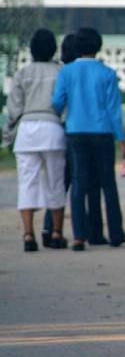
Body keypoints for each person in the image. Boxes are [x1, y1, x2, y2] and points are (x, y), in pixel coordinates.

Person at [52, 27, 125, 251]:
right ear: (98, 47)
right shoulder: (107, 73)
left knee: (79, 183)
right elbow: (114, 110)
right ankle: (115, 233)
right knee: (108, 183)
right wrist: (122, 140)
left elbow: (57, 101)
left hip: (76, 132)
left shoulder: (66, 72)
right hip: (103, 132)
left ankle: (79, 236)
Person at [2, 29, 68, 251]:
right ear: (53, 49)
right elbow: (65, 104)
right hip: (53, 129)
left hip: (27, 132)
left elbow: (13, 109)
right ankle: (57, 233)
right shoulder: (60, 71)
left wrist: (8, 132)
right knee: (56, 182)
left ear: (31, 49)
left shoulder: (23, 74)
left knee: (27, 183)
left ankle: (28, 235)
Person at [41, 34, 105, 247]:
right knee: (83, 183)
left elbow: (56, 103)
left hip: (62, 129)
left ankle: (48, 228)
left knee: (63, 182)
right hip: (76, 130)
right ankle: (89, 232)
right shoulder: (71, 73)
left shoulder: (63, 71)